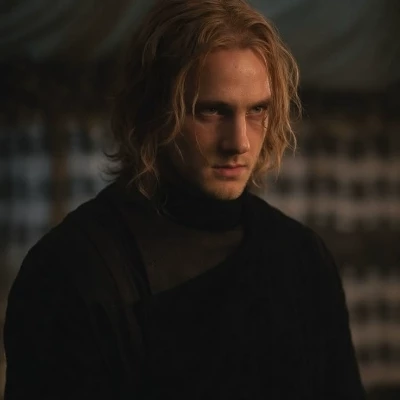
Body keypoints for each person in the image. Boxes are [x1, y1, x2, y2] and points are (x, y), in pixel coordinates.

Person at [4, 0, 366, 398]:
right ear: (155, 112)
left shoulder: (302, 257)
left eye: (257, 110)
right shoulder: (74, 269)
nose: (239, 143)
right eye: (211, 111)